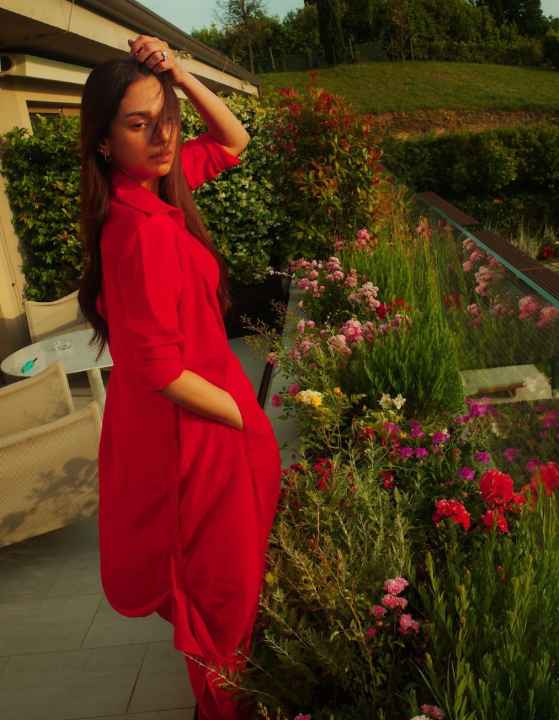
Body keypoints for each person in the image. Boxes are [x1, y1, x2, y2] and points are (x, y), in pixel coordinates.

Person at [76, 35, 282, 720]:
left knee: (229, 600)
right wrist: (238, 415)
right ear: (104, 143)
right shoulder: (141, 231)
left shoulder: (152, 196)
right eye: (138, 124)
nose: (163, 135)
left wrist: (180, 75)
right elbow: (160, 369)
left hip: (211, 425)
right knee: (223, 610)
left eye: (164, 118)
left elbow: (234, 139)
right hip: (204, 436)